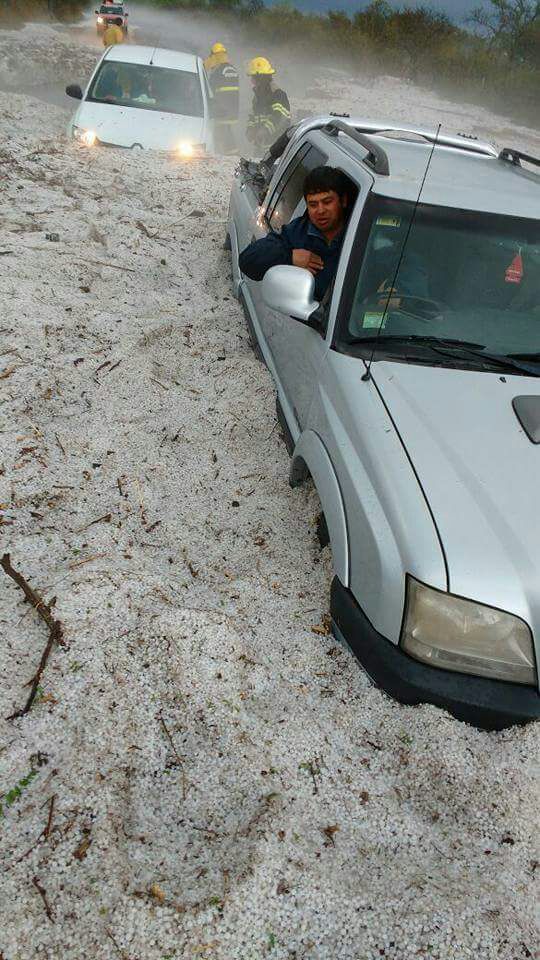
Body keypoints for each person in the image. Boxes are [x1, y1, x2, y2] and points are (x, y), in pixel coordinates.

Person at [239, 166, 350, 301]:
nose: (320, 211)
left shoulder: (360, 233)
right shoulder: (298, 233)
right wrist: (290, 256)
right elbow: (248, 259)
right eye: (313, 204)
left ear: (343, 201)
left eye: (327, 202)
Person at [246, 57, 291, 149]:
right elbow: (253, 116)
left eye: (253, 77)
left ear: (261, 77)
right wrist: (250, 129)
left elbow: (279, 118)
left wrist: (265, 130)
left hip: (277, 148)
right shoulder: (257, 97)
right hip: (261, 146)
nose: (252, 81)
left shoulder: (278, 94)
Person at [204, 42, 239, 155]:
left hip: (221, 109)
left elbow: (210, 89)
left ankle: (226, 155)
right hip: (232, 108)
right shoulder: (232, 69)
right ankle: (231, 154)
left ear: (215, 56)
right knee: (226, 131)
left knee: (222, 132)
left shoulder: (218, 71)